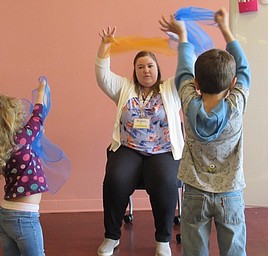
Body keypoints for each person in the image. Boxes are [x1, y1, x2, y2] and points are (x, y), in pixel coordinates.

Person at [159, 7, 251, 256]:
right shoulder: (237, 102)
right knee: (234, 250)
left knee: (194, 250)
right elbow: (244, 70)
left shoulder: (189, 101)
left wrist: (183, 37)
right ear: (232, 84)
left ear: (196, 84)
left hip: (195, 192)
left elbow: (184, 71)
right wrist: (225, 29)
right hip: (230, 192)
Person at [95, 26, 184, 256]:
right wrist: (105, 46)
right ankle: (111, 236)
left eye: (150, 66)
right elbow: (103, 75)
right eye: (141, 66)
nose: (146, 70)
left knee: (166, 181)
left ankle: (163, 240)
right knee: (115, 178)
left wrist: (181, 40)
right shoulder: (124, 87)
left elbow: (188, 70)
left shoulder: (170, 88)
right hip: (128, 148)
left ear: (158, 69)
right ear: (134, 71)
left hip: (163, 150)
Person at [0, 79, 48, 256]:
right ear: (7, 120)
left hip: (4, 215)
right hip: (24, 218)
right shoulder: (20, 141)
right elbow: (37, 117)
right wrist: (41, 91)